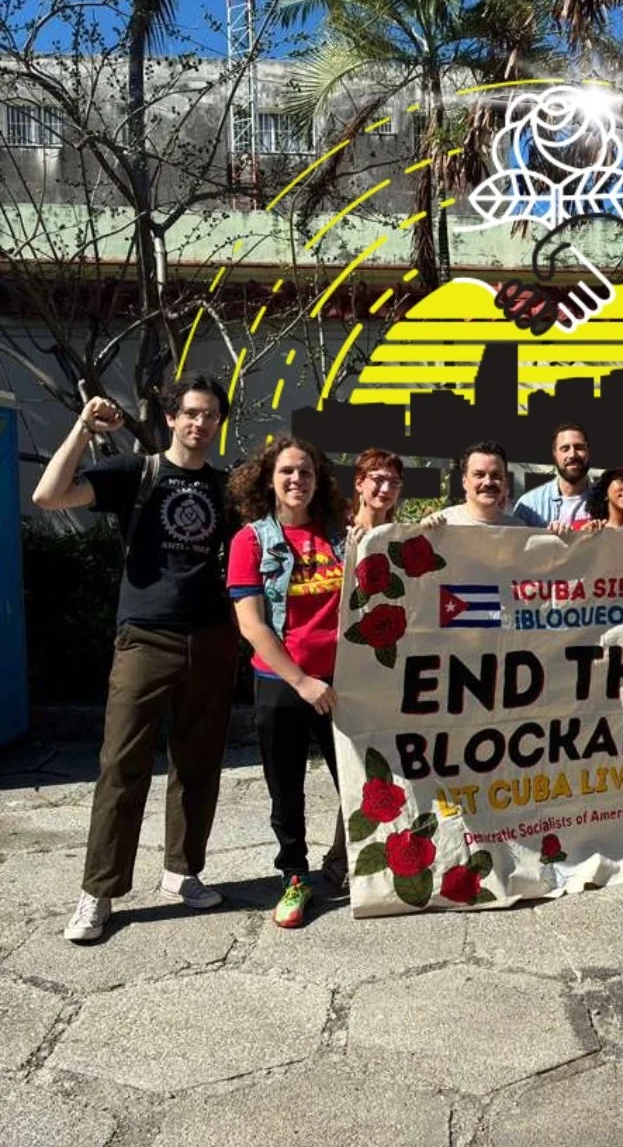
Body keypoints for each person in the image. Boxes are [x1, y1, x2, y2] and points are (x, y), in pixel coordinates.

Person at [32, 377, 238, 944]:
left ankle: (182, 870)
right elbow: (48, 496)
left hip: (214, 638)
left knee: (198, 763)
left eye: (212, 415)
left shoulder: (226, 488)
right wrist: (81, 427)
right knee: (122, 765)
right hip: (145, 637)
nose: (201, 423)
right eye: (192, 413)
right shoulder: (136, 473)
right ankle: (97, 893)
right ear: (172, 418)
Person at [227, 435, 362, 928]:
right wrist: (302, 680)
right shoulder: (251, 541)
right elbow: (252, 624)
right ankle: (294, 877)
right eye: (286, 471)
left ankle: (352, 864)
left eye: (305, 471)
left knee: (358, 781)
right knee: (287, 790)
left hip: (342, 682)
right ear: (269, 479)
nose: (296, 480)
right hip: (284, 684)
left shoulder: (339, 537)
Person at [513, 423, 593, 528]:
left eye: (579, 447)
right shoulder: (530, 505)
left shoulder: (608, 503)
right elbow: (514, 543)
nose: (572, 454)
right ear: (555, 454)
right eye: (565, 448)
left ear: (588, 452)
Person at [426, 441, 520, 526]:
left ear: (505, 482)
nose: (488, 482)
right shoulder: (444, 524)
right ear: (464, 482)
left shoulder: (518, 529)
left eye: (496, 475)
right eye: (479, 475)